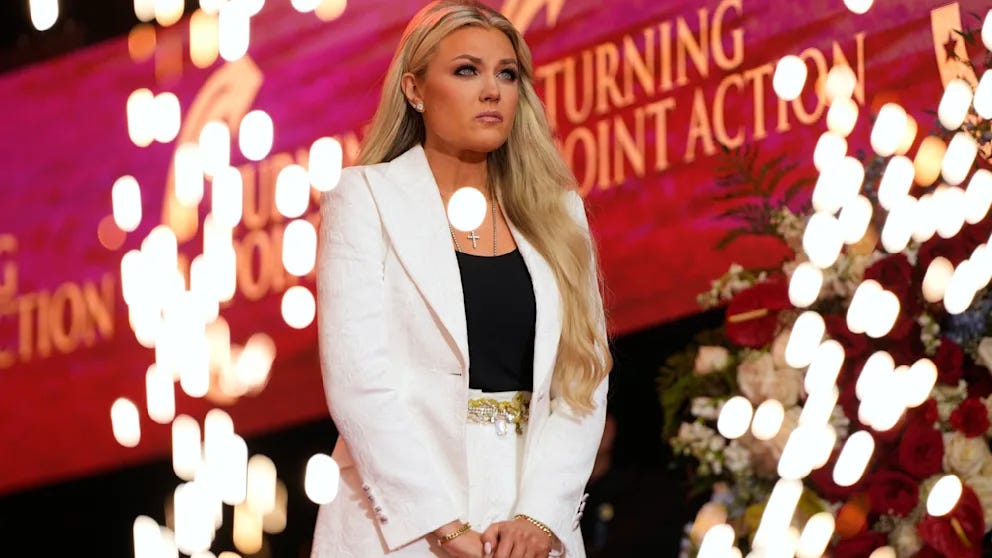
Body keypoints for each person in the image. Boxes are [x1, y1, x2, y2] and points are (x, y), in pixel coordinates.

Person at [311, 1, 612, 556]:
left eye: (507, 74)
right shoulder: (365, 198)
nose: (492, 90)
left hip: (530, 526)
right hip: (400, 529)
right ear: (415, 90)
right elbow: (359, 382)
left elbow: (583, 381)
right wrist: (443, 526)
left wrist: (539, 518)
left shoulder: (559, 213)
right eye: (467, 70)